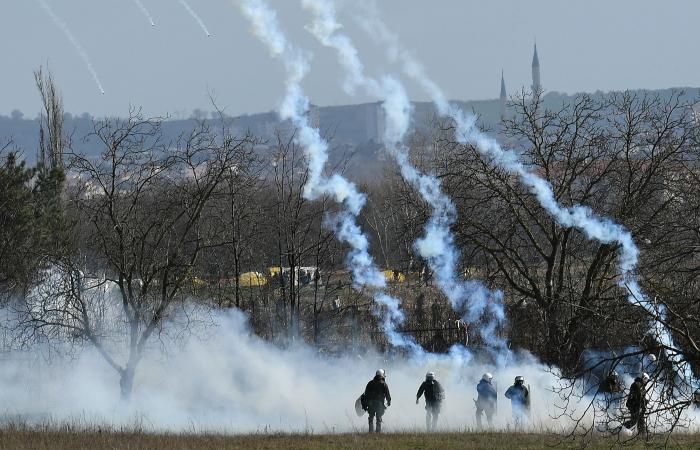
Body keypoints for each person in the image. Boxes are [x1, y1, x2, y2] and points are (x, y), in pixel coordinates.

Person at [363, 369, 391, 433]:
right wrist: (389, 402)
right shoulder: (384, 384)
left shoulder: (370, 383)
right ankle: (378, 432)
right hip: (379, 404)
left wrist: (366, 403)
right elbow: (387, 395)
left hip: (371, 404)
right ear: (382, 375)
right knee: (379, 418)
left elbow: (366, 394)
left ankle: (371, 432)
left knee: (371, 418)